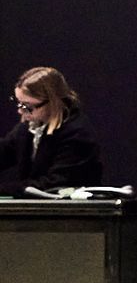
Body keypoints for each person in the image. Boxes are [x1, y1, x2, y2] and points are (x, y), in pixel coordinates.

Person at [1, 67, 103, 195]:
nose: (20, 111)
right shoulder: (28, 128)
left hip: (71, 210)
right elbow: (4, 152)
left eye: (27, 106)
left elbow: (55, 182)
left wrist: (8, 189)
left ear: (52, 101)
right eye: (19, 103)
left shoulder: (77, 133)